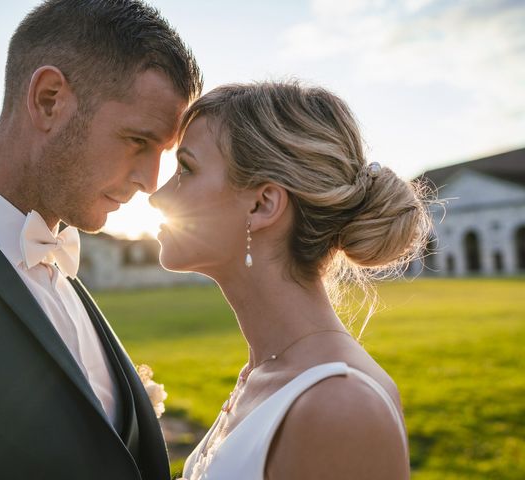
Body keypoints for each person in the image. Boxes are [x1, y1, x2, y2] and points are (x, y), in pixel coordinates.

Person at [0, 1, 201, 479]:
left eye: (165, 153)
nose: (151, 181)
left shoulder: (63, 268)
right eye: (138, 141)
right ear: (49, 98)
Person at [149, 81, 430, 480]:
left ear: (262, 204)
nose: (156, 196)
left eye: (186, 169)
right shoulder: (264, 370)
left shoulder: (341, 407)